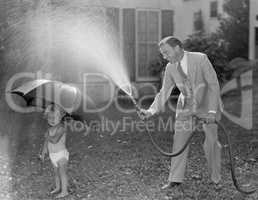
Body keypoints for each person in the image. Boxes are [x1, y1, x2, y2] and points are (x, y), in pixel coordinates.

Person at [140, 36, 223, 190]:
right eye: (163, 54)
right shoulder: (170, 68)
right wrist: (150, 111)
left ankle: (215, 178)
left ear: (177, 48)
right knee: (179, 140)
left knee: (211, 143)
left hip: (207, 105)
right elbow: (164, 92)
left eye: (166, 52)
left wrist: (212, 111)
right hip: (186, 107)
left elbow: (213, 84)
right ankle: (175, 179)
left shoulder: (200, 59)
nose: (165, 57)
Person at [40, 103, 69, 198]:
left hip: (61, 155)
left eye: (55, 117)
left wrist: (47, 136)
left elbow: (55, 140)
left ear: (61, 117)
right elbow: (46, 141)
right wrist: (44, 151)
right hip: (53, 155)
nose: (52, 120)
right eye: (49, 117)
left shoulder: (62, 128)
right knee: (56, 173)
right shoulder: (49, 129)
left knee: (62, 172)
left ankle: (64, 191)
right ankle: (58, 187)